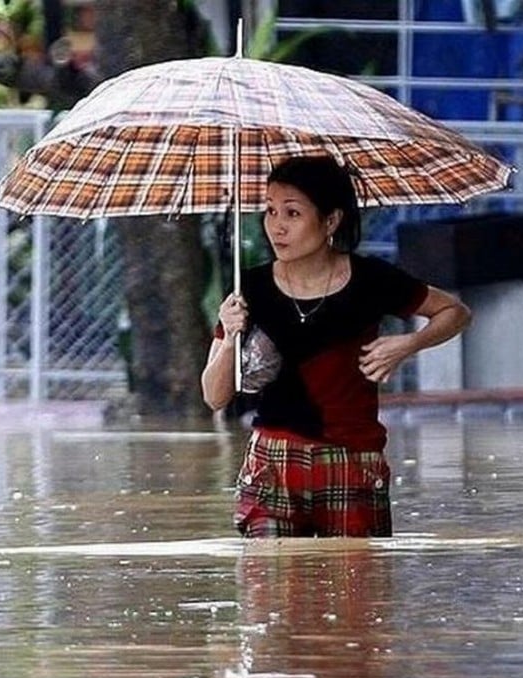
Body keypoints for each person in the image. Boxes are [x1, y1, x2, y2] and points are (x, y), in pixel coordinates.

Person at [201, 155, 471, 538]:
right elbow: (214, 396)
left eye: (292, 213)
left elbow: (454, 312)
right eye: (270, 211)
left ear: (330, 220)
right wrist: (230, 338)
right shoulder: (250, 291)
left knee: (354, 593)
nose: (276, 226)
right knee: (269, 594)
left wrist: (408, 344)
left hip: (353, 460)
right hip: (273, 462)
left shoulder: (371, 279)